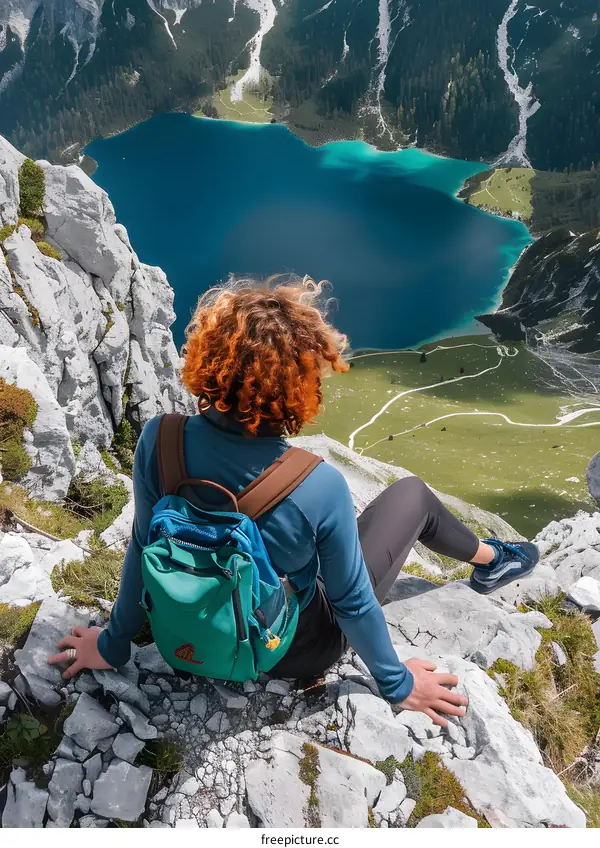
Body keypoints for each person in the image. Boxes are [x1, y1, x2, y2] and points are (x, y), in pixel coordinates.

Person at [49, 276, 538, 725]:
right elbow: (351, 602)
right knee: (411, 495)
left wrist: (113, 645)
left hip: (185, 630)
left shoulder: (160, 439)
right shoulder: (317, 484)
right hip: (290, 649)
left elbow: (140, 545)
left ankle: (491, 558)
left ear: (207, 355)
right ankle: (493, 561)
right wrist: (399, 683)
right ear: (298, 381)